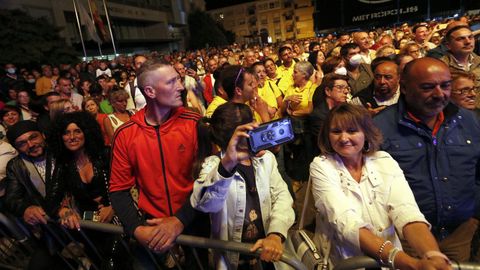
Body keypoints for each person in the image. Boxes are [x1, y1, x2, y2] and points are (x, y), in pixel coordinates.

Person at [310, 103, 450, 270]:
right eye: (336, 131)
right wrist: (410, 263)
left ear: (366, 133)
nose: (344, 138)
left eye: (352, 130)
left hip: (392, 262)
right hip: (346, 261)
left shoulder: (384, 160)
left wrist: (433, 255)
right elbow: (346, 222)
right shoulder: (322, 166)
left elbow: (405, 210)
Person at [373, 57, 480, 262]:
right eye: (428, 87)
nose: (439, 94)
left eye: (445, 86)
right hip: (406, 240)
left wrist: (474, 214)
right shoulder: (380, 128)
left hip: (459, 234)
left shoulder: (468, 120)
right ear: (404, 88)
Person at [109, 60, 208, 269]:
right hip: (152, 226)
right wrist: (137, 229)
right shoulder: (126, 134)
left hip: (195, 221)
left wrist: (180, 220)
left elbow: (209, 181)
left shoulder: (193, 122)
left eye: (179, 80)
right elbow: (118, 190)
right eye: (172, 82)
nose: (181, 87)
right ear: (150, 91)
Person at [191, 102, 294, 270]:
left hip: (267, 253)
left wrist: (276, 234)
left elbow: (282, 196)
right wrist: (228, 164)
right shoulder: (213, 165)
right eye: (249, 128)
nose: (256, 128)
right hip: (232, 259)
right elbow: (204, 204)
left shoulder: (266, 159)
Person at [46, 111, 117, 267]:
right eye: (66, 133)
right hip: (90, 228)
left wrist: (113, 206)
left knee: (114, 262)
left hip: (117, 224)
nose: (72, 137)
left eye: (77, 131)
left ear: (87, 132)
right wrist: (63, 211)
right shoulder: (63, 164)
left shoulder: (104, 154)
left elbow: (127, 185)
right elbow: (51, 199)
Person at [4, 121, 60, 269]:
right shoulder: (16, 166)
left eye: (33, 137)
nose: (30, 144)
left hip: (83, 221)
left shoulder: (61, 152)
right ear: (16, 148)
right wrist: (25, 208)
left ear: (43, 135)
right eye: (22, 143)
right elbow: (11, 199)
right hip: (52, 229)